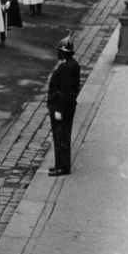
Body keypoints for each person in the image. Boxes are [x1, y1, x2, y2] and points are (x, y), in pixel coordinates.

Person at [47, 33, 81, 177]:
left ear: (63, 52)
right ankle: (60, 164)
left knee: (61, 137)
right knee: (61, 137)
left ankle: (63, 167)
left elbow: (66, 91)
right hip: (66, 106)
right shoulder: (71, 65)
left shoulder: (66, 68)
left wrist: (59, 109)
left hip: (62, 107)